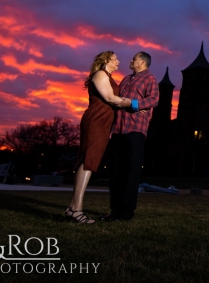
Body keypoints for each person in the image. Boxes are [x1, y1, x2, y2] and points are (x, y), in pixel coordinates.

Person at [66, 51, 131, 224]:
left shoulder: (107, 76)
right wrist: (135, 104)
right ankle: (76, 210)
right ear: (106, 60)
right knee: (89, 161)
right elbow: (110, 98)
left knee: (88, 161)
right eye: (115, 58)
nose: (119, 61)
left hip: (102, 122)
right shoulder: (100, 74)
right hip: (96, 120)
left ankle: (73, 208)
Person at [101, 51, 159, 222]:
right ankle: (115, 211)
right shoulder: (126, 79)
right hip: (118, 130)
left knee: (131, 172)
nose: (131, 60)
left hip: (135, 130)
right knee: (116, 172)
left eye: (134, 58)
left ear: (142, 62)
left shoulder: (150, 78)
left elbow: (154, 99)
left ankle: (126, 213)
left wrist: (134, 104)